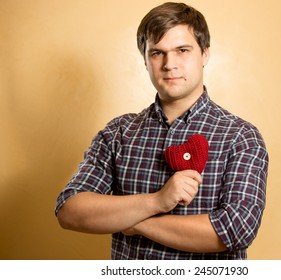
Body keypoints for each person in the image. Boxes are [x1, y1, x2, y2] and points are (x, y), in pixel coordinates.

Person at [55, 2, 269, 260]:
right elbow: (69, 210)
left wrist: (134, 222)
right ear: (145, 61)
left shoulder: (240, 137)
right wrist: (156, 202)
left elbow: (235, 229)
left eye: (182, 50)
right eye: (157, 53)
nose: (169, 64)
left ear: (205, 54)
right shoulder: (118, 133)